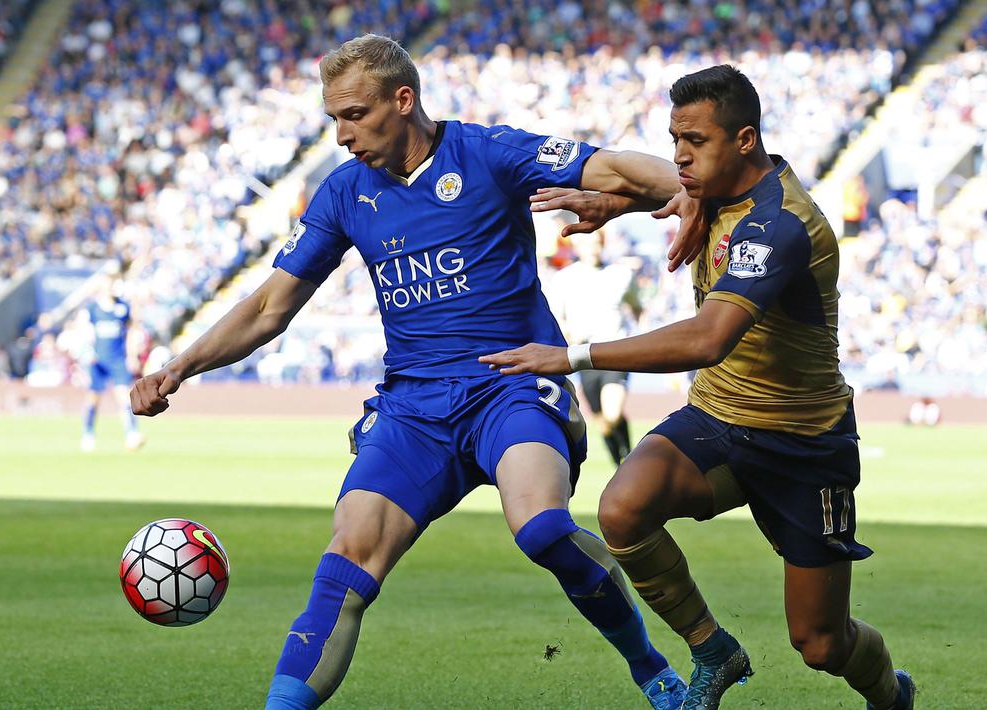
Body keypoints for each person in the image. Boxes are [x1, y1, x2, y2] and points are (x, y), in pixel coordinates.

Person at [131, 34, 693, 710]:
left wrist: (689, 190)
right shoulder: (342, 193)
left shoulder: (486, 153)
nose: (340, 136)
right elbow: (268, 306)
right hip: (412, 406)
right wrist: (178, 367)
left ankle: (650, 668)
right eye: (332, 118)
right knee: (346, 561)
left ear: (403, 100)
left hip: (510, 383)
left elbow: (615, 166)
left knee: (540, 527)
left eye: (353, 115)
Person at [481, 65, 915, 710]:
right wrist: (619, 202)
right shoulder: (712, 182)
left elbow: (708, 338)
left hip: (804, 444)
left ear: (744, 141)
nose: (680, 156)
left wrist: (574, 356)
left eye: (695, 141)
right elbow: (673, 190)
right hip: (718, 419)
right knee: (623, 508)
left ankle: (890, 695)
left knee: (822, 644)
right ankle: (714, 650)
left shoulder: (783, 223)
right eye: (675, 138)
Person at [547, 229, 637, 464]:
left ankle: (628, 458)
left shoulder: (620, 274)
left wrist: (640, 332)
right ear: (577, 247)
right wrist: (569, 332)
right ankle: (620, 462)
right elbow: (556, 318)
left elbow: (637, 307)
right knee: (603, 422)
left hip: (617, 351)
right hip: (584, 356)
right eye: (587, 244)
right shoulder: (564, 278)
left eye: (596, 242)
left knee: (612, 412)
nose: (592, 248)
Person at [81, 265, 144, 452]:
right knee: (93, 398)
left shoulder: (123, 307)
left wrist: (132, 355)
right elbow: (85, 330)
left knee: (125, 398)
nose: (111, 286)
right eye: (108, 283)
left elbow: (132, 330)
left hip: (117, 360)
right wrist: (87, 351)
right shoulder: (93, 309)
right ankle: (88, 434)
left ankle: (132, 433)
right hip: (97, 361)